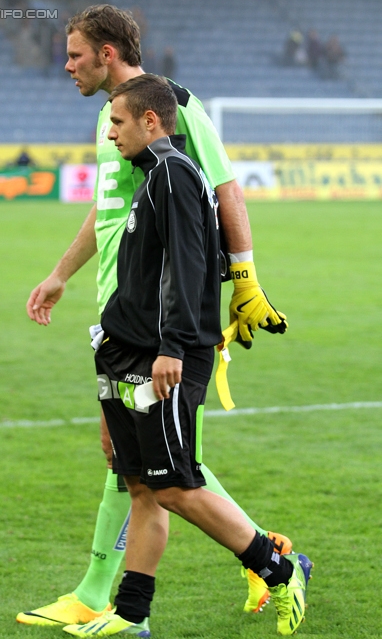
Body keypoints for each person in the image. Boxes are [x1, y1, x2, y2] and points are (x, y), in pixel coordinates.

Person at [19, 3, 289, 629]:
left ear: (106, 54)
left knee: (160, 466)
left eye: (75, 55)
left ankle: (267, 559)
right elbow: (106, 208)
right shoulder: (110, 121)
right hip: (121, 307)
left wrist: (244, 279)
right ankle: (117, 593)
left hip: (169, 317)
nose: (67, 66)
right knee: (134, 460)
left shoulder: (174, 104)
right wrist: (62, 272)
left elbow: (225, 187)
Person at [62, 71, 312, 639]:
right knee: (144, 486)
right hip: (130, 350)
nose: (110, 135)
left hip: (167, 355)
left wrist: (172, 346)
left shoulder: (173, 174)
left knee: (174, 484)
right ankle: (131, 617)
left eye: (118, 123)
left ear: (151, 120)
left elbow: (188, 265)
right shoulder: (149, 175)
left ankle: (279, 569)